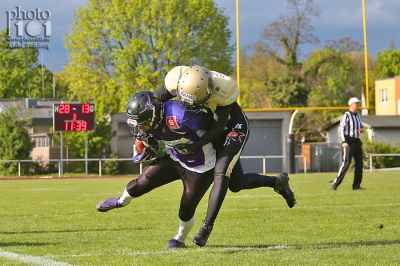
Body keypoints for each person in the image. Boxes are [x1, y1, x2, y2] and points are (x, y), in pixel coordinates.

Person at [155, 66, 296, 247]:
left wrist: (193, 146)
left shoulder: (224, 89)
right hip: (208, 130)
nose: (188, 107)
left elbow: (216, 130)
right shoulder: (175, 79)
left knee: (221, 172)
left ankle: (206, 227)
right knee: (238, 184)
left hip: (231, 128)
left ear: (208, 93)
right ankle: (277, 182)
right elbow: (154, 102)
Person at [96, 91, 216, 248]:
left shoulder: (180, 116)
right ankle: (121, 201)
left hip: (200, 166)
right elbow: (150, 136)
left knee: (186, 209)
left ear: (155, 114)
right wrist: (147, 147)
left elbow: (215, 127)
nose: (141, 128)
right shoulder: (148, 122)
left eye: (143, 124)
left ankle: (179, 239)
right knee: (143, 180)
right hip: (175, 158)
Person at [331, 97, 365, 191]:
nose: (358, 105)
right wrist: (343, 141)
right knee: (346, 163)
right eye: (356, 103)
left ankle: (356, 185)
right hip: (348, 141)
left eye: (358, 103)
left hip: (357, 141)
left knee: (359, 164)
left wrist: (361, 130)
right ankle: (335, 184)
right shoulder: (346, 115)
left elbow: (361, 127)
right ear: (351, 104)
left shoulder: (358, 116)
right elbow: (341, 129)